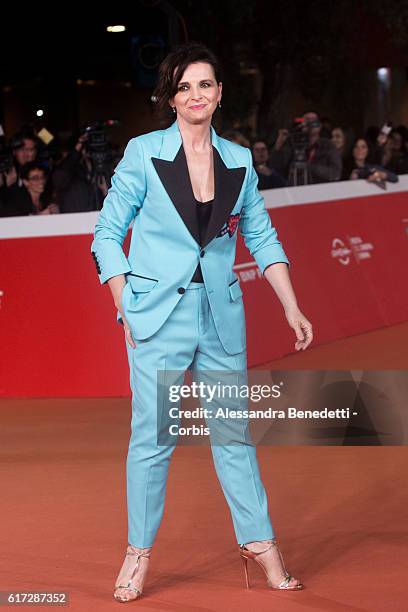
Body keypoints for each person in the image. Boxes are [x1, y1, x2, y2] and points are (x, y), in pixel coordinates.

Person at [91, 42, 313, 603]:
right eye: (184, 86)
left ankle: (260, 544)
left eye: (205, 85)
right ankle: (138, 553)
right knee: (155, 437)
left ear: (219, 94)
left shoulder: (238, 159)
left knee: (233, 436)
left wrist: (291, 304)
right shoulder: (143, 153)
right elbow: (106, 236)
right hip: (158, 317)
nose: (196, 95)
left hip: (220, 319)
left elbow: (261, 236)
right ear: (170, 96)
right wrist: (126, 305)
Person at [270, 111, 342, 184]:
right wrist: (279, 144)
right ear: (302, 125)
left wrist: (309, 167)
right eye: (307, 120)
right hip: (295, 190)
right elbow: (276, 166)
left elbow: (335, 173)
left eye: (314, 120)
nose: (311, 123)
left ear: (319, 126)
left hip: (320, 190)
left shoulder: (328, 146)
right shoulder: (293, 143)